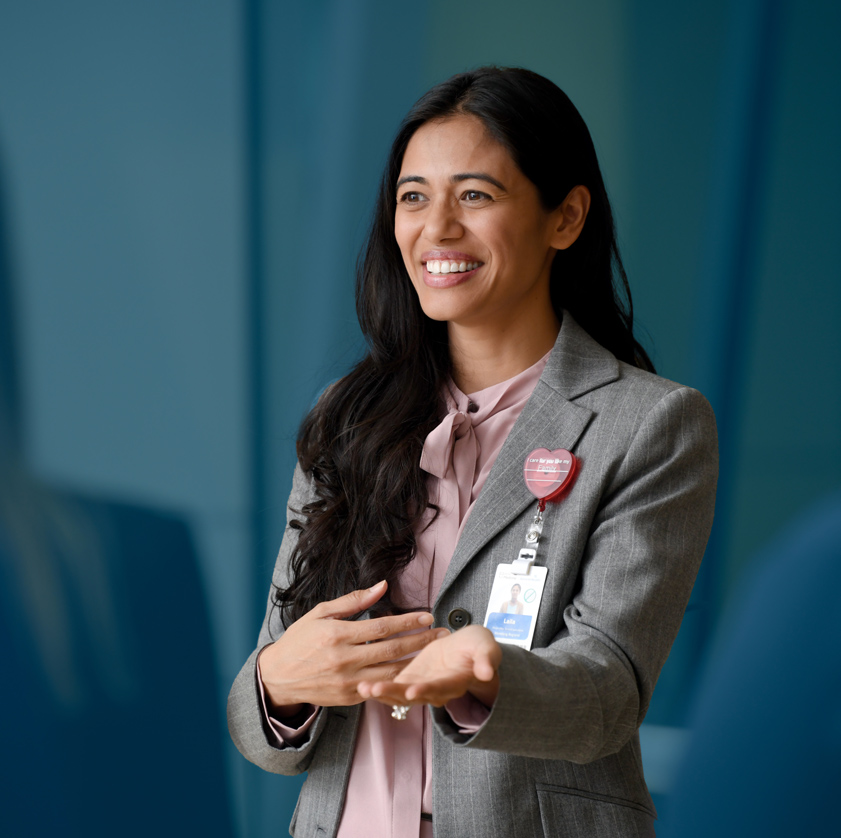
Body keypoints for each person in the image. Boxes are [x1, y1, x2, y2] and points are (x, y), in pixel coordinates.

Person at [228, 66, 718, 838]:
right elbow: (264, 714)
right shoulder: (344, 420)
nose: (437, 228)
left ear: (565, 217)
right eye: (413, 197)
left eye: (475, 196)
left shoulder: (650, 425)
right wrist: (277, 682)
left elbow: (606, 695)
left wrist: (487, 676)